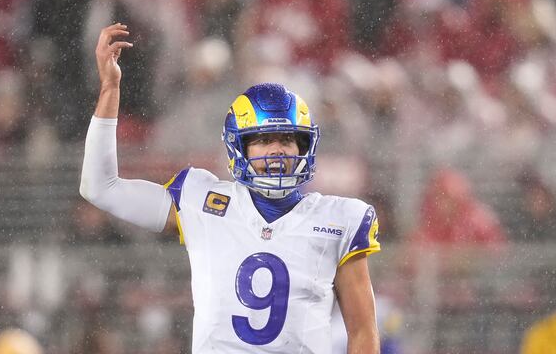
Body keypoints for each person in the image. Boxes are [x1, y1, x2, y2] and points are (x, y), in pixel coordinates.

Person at [80, 23, 381, 353]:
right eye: (264, 140)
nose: (277, 150)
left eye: (286, 139)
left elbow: (363, 333)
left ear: (304, 147)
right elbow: (101, 187)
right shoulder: (203, 201)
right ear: (240, 148)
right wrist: (110, 90)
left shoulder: (339, 220)